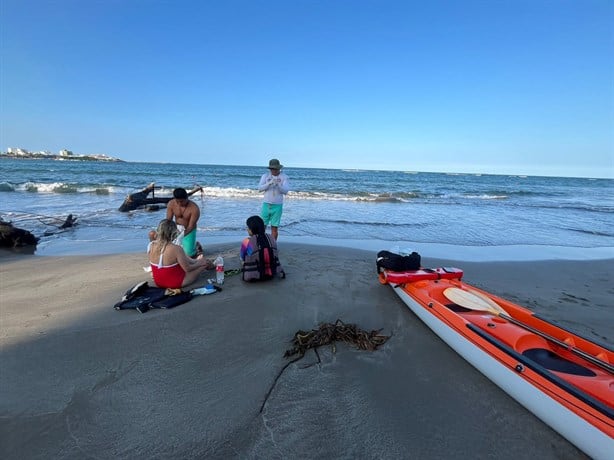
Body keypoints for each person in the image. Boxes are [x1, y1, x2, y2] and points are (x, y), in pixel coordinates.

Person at [148, 219, 211, 289]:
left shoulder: (151, 245)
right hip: (175, 283)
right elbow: (188, 269)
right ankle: (213, 265)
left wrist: (196, 261)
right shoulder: (176, 249)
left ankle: (201, 262)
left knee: (196, 262)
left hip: (158, 282)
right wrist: (200, 263)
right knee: (204, 264)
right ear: (173, 233)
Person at [240, 215, 284, 281]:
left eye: (248, 228)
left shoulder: (247, 241)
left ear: (252, 229)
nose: (247, 229)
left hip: (253, 275)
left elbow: (242, 257)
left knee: (243, 258)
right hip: (272, 272)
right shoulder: (271, 238)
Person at [257, 158, 290, 240]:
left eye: (276, 169)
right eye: (272, 169)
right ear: (270, 169)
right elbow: (260, 189)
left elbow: (285, 191)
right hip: (266, 204)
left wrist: (279, 185)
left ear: (279, 168)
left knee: (274, 228)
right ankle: (261, 244)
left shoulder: (284, 177)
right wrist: (269, 183)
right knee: (262, 226)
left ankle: (273, 246)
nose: (274, 170)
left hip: (277, 205)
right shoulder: (265, 176)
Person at [166, 187, 201, 257]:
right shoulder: (171, 203)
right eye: (177, 201)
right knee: (168, 251)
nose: (179, 204)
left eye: (181, 201)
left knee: (188, 254)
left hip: (189, 230)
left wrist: (180, 236)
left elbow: (191, 227)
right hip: (176, 228)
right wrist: (168, 233)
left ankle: (196, 246)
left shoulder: (194, 208)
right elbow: (168, 221)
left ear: (187, 197)